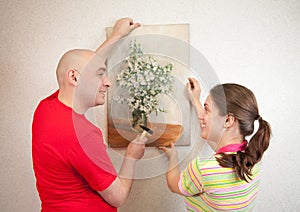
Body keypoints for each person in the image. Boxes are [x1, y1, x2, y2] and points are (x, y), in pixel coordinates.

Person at [32, 18, 147, 212]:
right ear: (74, 77)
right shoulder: (82, 134)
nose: (108, 83)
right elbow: (117, 197)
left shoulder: (45, 109)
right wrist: (131, 157)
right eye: (100, 75)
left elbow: (82, 69)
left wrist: (116, 35)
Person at [160, 78, 271, 211]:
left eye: (207, 110)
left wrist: (172, 157)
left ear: (228, 120)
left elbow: (175, 185)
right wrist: (196, 100)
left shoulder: (203, 169)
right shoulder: (253, 159)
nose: (202, 116)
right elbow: (218, 142)